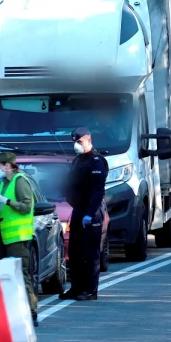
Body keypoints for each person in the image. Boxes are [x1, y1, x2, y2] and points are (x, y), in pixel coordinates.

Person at [0, 152, 39, 325]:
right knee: (5, 276)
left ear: (7, 165)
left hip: (18, 237)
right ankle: (11, 313)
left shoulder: (20, 181)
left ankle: (31, 313)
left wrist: (7, 201)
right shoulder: (4, 183)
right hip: (4, 237)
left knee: (21, 275)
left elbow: (26, 207)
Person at [61, 127, 108, 301]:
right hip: (78, 210)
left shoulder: (97, 161)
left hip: (92, 211)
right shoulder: (77, 160)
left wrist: (90, 213)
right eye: (75, 142)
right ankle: (76, 288)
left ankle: (90, 290)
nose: (76, 145)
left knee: (90, 253)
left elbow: (97, 190)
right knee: (75, 252)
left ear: (89, 141)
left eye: (80, 142)